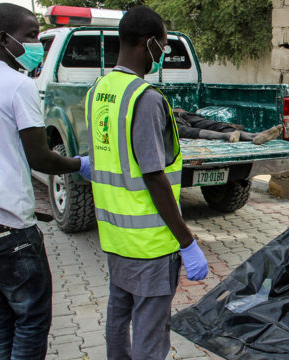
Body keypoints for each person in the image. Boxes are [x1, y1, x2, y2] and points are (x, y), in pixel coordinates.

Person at [0, 3, 90, 359]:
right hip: (7, 230)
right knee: (30, 320)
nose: (37, 44)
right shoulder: (18, 86)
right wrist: (80, 165)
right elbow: (40, 157)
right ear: (2, 38)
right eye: (30, 36)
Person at [84, 6, 209, 359]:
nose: (163, 55)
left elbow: (104, 155)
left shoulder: (99, 90)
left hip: (114, 234)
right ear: (150, 43)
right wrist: (187, 240)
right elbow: (154, 176)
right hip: (151, 242)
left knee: (118, 315)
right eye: (164, 47)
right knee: (151, 333)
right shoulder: (146, 98)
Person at [174, 109, 284, 144]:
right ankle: (228, 136)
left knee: (214, 125)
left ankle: (255, 136)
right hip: (171, 121)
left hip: (179, 116)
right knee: (196, 131)